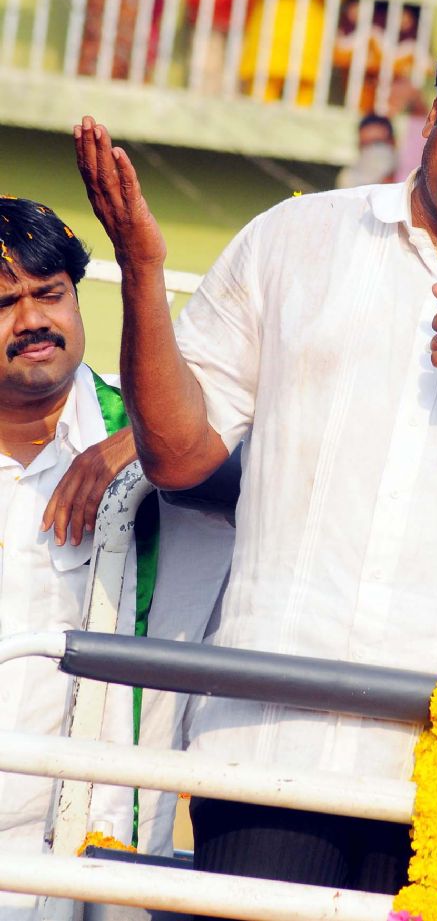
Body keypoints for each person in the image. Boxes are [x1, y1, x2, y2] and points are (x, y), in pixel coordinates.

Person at [74, 6, 437, 906]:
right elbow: (180, 454)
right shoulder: (297, 238)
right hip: (270, 735)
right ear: (433, 113)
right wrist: (145, 276)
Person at [0, 197, 234, 918]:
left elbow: (262, 430)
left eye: (50, 294)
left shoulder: (141, 441)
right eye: (4, 303)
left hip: (95, 847)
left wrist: (141, 440)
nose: (32, 319)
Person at [335, 113, 398, 188]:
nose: (371, 150)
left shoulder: (407, 178)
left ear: (393, 142)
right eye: (365, 144)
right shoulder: (349, 179)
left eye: (378, 143)